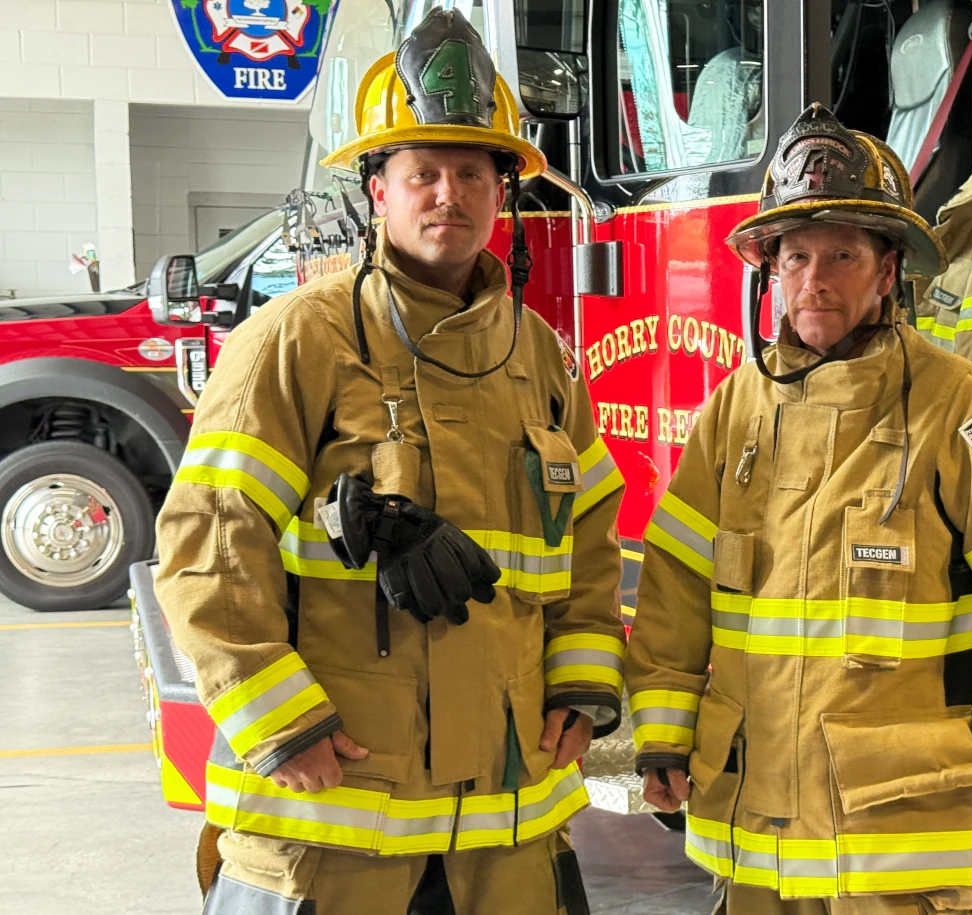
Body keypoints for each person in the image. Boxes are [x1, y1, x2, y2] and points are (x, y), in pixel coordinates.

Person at [154, 10, 625, 914]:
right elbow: (208, 542)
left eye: (472, 173)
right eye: (423, 174)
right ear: (378, 191)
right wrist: (279, 722)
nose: (449, 194)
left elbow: (591, 543)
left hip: (504, 828)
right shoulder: (298, 338)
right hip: (333, 819)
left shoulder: (542, 358)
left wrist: (580, 685)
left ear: (503, 193)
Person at [622, 104, 972, 914]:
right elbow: (675, 586)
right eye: (797, 256)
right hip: (754, 846)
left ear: (888, 271)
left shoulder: (961, 407)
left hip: (893, 850)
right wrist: (664, 735)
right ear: (771, 272)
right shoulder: (733, 413)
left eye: (843, 254)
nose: (815, 279)